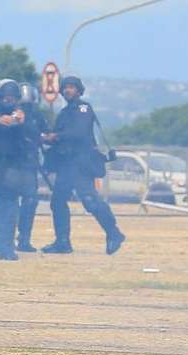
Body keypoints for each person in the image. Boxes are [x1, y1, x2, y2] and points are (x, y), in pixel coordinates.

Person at [41, 76, 126, 255]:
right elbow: (60, 135)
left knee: (90, 201)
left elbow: (78, 132)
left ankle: (114, 233)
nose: (67, 91)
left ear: (79, 90)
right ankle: (62, 242)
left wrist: (56, 136)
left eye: (71, 87)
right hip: (66, 164)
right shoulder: (64, 112)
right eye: (65, 88)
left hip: (81, 163)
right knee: (57, 202)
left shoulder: (83, 108)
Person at [0, 79, 37, 261]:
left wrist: (23, 122)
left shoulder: (25, 114)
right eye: (5, 97)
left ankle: (7, 247)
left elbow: (36, 135)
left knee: (11, 207)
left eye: (12, 97)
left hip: (14, 167)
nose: (8, 100)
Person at [16, 82, 48, 252]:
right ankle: (1, 238)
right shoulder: (10, 112)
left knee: (30, 201)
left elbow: (44, 134)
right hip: (12, 162)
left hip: (30, 163)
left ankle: (24, 238)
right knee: (8, 201)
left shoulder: (37, 115)